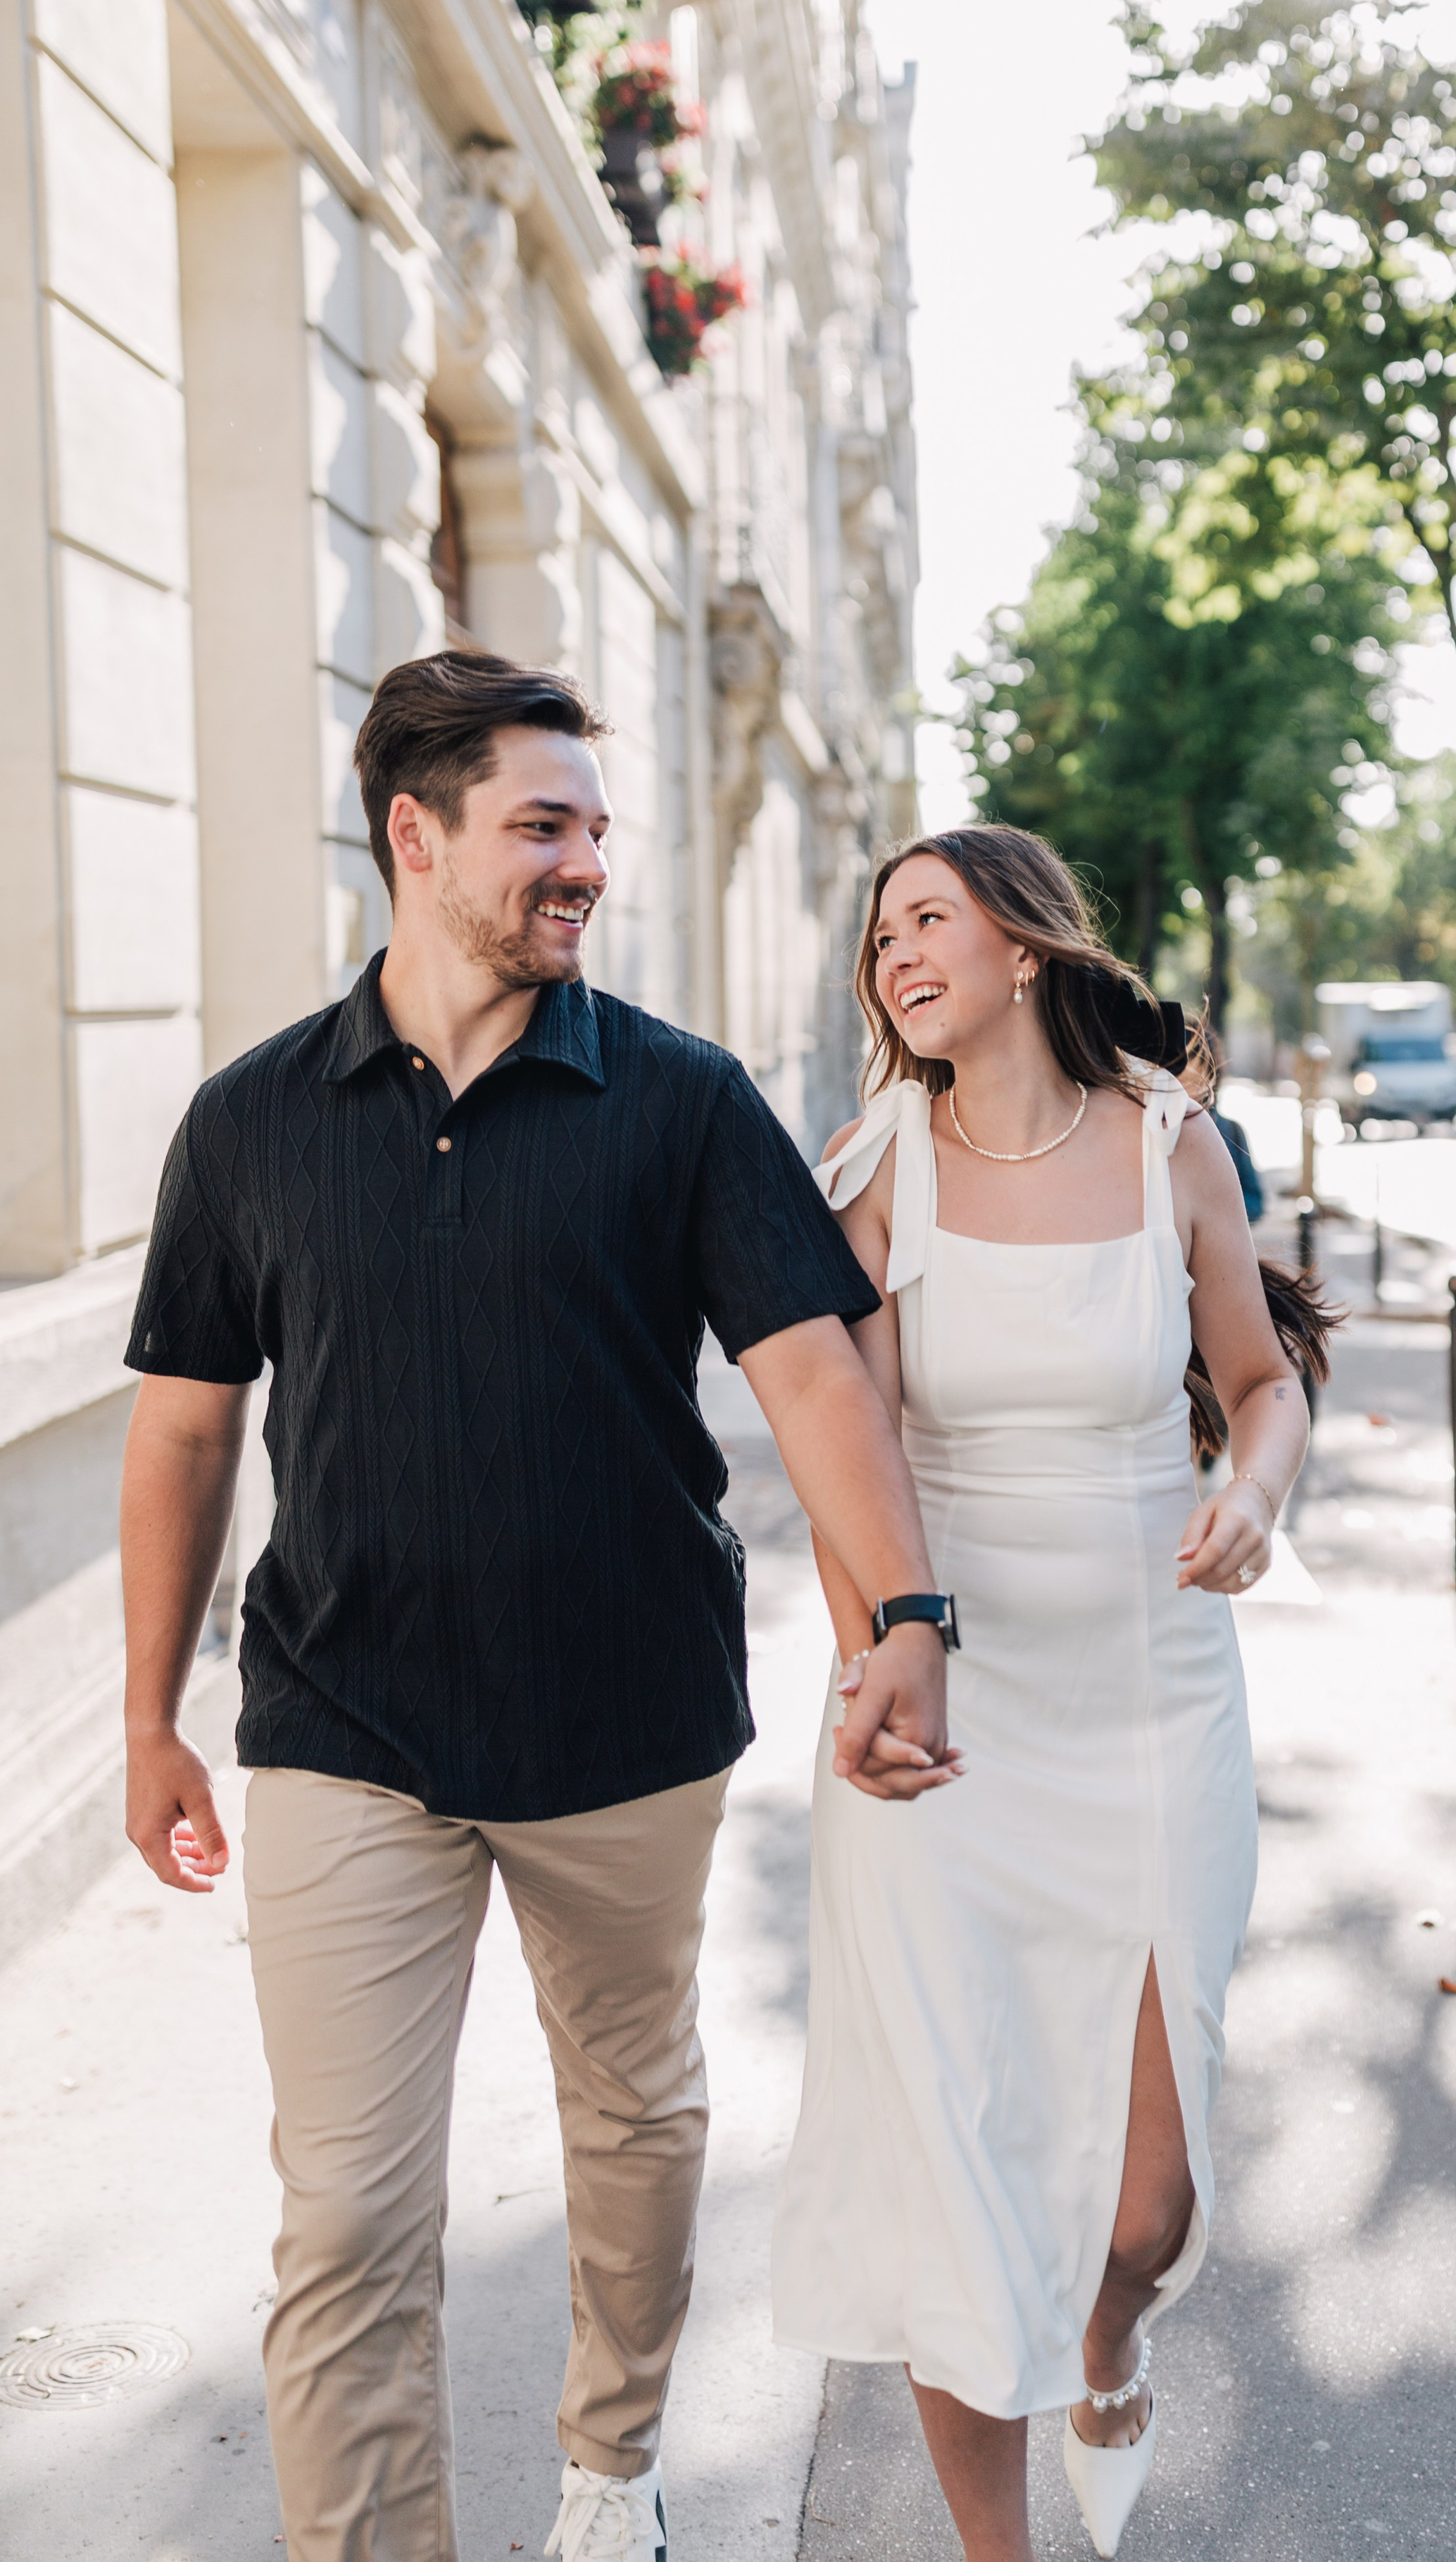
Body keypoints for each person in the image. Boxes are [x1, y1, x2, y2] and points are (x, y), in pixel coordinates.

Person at [119, 649, 960, 2562]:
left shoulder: (676, 1098)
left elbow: (815, 1370)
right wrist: (151, 1708)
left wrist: (904, 1611)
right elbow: (181, 1437)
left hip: (624, 1718)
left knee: (637, 2122)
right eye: (545, 827)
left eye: (597, 829)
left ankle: (609, 2455)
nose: (587, 863)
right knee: (342, 2216)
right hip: (343, 1722)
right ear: (417, 838)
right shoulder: (249, 1124)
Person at [772, 825, 1330, 2562]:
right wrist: (875, 1666)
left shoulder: (1172, 1145)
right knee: (961, 2176)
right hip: (945, 1723)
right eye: (878, 941)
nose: (896, 958)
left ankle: (1107, 2342)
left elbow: (1257, 1383)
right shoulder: (871, 1169)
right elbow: (841, 1457)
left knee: (1145, 2204)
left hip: (1155, 1703)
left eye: (926, 921)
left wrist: (1251, 1489)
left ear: (1022, 947)